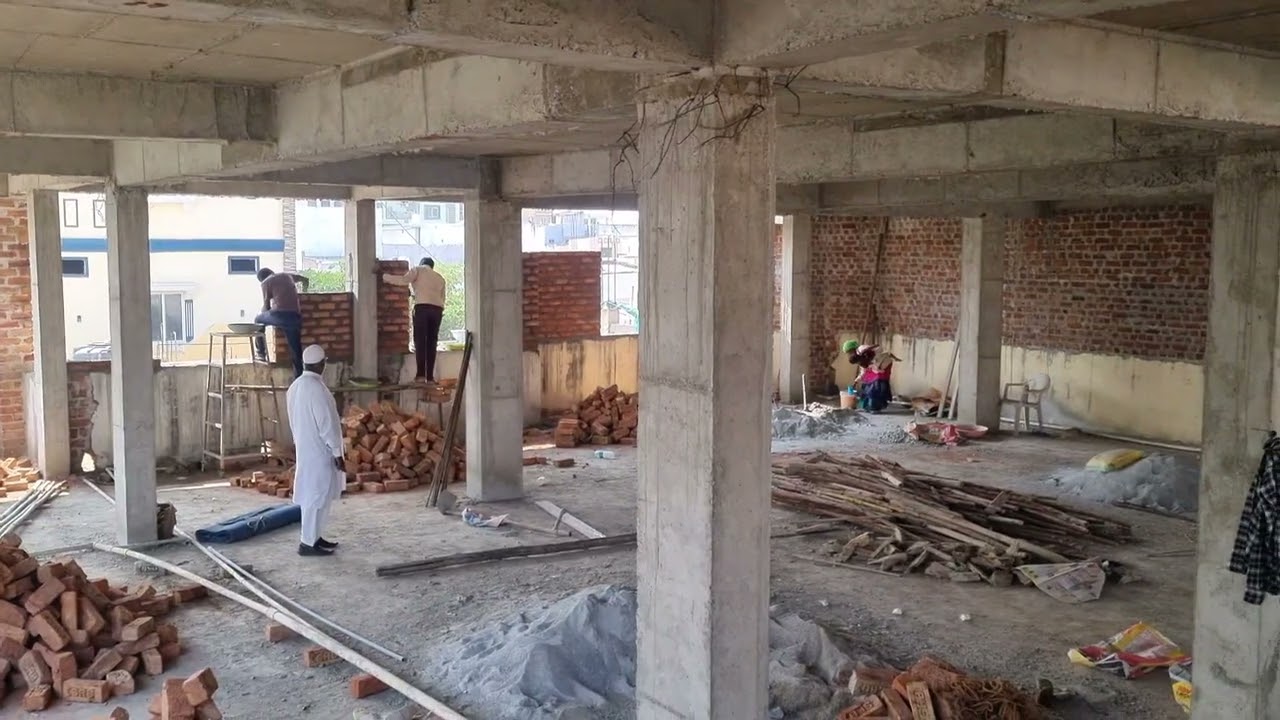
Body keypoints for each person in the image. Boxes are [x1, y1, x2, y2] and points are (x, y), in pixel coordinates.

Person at [287, 344, 344, 557]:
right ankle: (307, 543)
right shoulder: (317, 389)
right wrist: (338, 453)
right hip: (320, 452)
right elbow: (326, 424)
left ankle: (315, 537)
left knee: (319, 497)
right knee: (315, 497)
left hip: (305, 449)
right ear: (322, 364)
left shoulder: (296, 386)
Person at [382, 257, 446, 383]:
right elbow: (443, 298)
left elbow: (403, 280)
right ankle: (430, 378)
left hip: (422, 308)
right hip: (437, 310)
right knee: (431, 343)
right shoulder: (440, 278)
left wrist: (385, 277)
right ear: (432, 267)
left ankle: (420, 376)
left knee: (420, 341)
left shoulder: (417, 270)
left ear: (422, 264)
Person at [254, 268, 310, 378]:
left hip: (280, 316)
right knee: (296, 354)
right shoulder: (286, 275)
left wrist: (262, 311)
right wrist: (305, 291)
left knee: (258, 320)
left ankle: (261, 352)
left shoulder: (266, 282)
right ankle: (299, 380)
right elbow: (305, 280)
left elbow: (266, 307)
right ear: (271, 272)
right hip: (295, 317)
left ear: (261, 279)